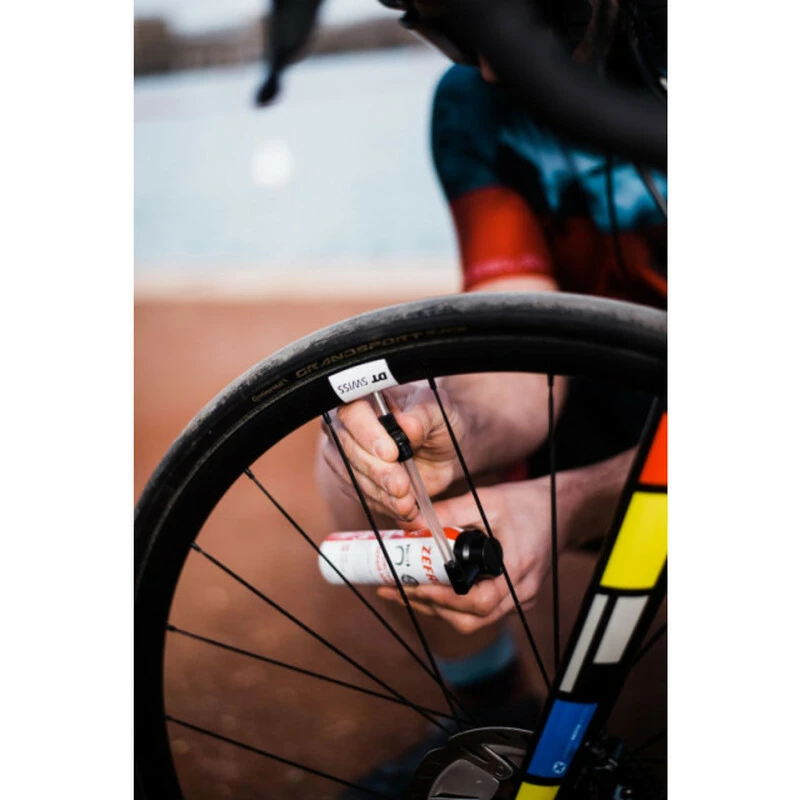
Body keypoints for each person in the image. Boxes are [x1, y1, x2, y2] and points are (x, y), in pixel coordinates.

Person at [317, 0, 666, 793]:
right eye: (442, 30)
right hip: (615, 394)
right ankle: (492, 723)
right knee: (368, 460)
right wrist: (453, 422)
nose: (484, 64)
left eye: (512, 18)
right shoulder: (472, 104)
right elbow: (524, 330)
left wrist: (567, 504)